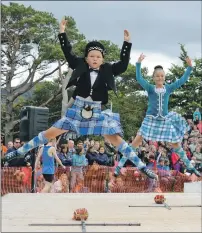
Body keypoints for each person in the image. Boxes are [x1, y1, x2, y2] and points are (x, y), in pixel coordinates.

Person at [3, 18, 157, 180]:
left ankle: (141, 166)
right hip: (77, 110)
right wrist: (62, 33)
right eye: (92, 56)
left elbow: (123, 65)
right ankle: (18, 152)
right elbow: (68, 52)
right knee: (48, 133)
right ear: (86, 58)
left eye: (98, 56)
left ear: (103, 59)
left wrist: (127, 44)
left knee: (118, 140)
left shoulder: (108, 70)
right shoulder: (79, 65)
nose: (95, 58)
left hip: (96, 112)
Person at [116, 53, 201, 177]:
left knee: (177, 144)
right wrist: (138, 64)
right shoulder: (150, 88)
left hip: (164, 121)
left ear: (164, 77)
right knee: (134, 143)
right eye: (157, 76)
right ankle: (118, 166)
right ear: (154, 77)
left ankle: (190, 167)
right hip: (150, 120)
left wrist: (189, 67)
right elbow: (139, 78)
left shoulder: (169, 88)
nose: (160, 78)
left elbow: (182, 80)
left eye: (162, 76)